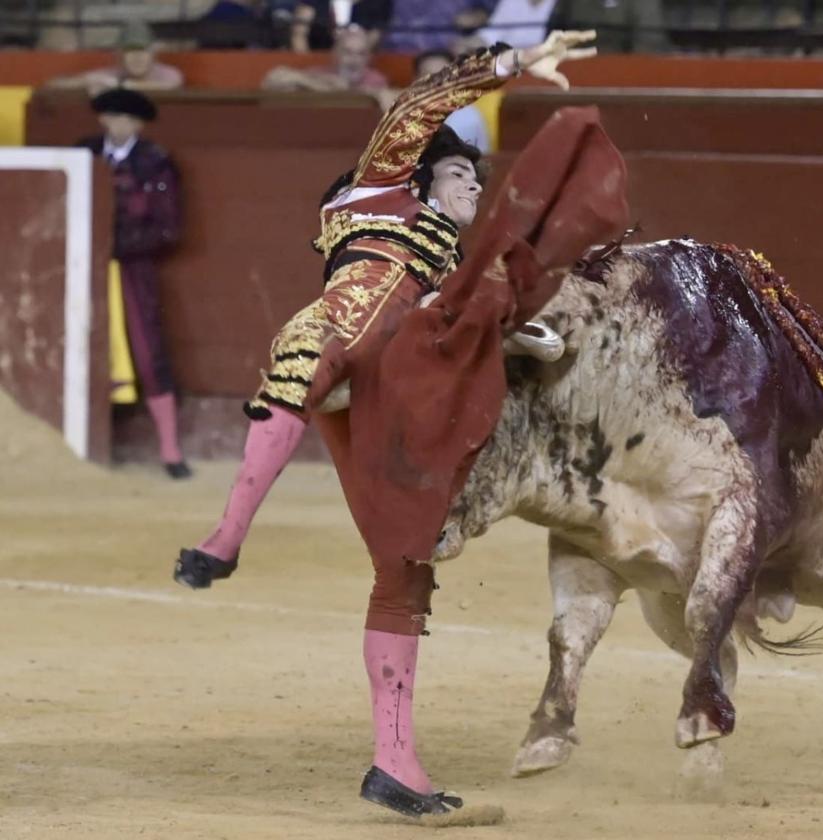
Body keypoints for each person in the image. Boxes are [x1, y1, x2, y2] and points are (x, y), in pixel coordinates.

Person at [175, 30, 598, 818]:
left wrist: (516, 328)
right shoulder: (382, 187)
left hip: (390, 389)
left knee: (401, 569)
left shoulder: (450, 257)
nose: (476, 186)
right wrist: (511, 64)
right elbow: (420, 104)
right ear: (425, 174)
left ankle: (395, 763)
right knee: (311, 352)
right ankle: (223, 536)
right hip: (351, 328)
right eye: (464, 172)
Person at [77, 89, 189, 479]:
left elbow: (167, 226)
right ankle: (77, 448)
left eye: (129, 118)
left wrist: (117, 246)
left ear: (139, 124)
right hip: (82, 266)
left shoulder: (155, 162)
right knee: (81, 345)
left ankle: (171, 451)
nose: (121, 124)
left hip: (133, 268)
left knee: (147, 348)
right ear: (104, 119)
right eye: (113, 116)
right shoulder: (84, 154)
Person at [48, 21, 183, 95]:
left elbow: (170, 85)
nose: (137, 58)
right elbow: (55, 84)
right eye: (130, 51)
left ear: (153, 54)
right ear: (120, 56)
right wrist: (88, 82)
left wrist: (119, 85)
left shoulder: (167, 74)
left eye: (142, 51)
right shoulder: (114, 74)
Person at [262, 24, 389, 99]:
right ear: (336, 55)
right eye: (348, 52)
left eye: (360, 54)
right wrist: (320, 82)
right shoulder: (318, 73)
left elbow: (346, 92)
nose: (354, 60)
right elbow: (272, 79)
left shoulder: (376, 79)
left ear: (368, 58)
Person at [409, 49, 492, 152]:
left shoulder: (469, 118)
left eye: (443, 76)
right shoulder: (400, 116)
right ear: (415, 81)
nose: (436, 83)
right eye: (428, 76)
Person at [287, 0, 391, 51]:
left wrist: (351, 58)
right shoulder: (312, 2)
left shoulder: (378, 3)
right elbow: (298, 35)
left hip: (358, 66)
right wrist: (306, 63)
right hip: (316, 63)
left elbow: (374, 37)